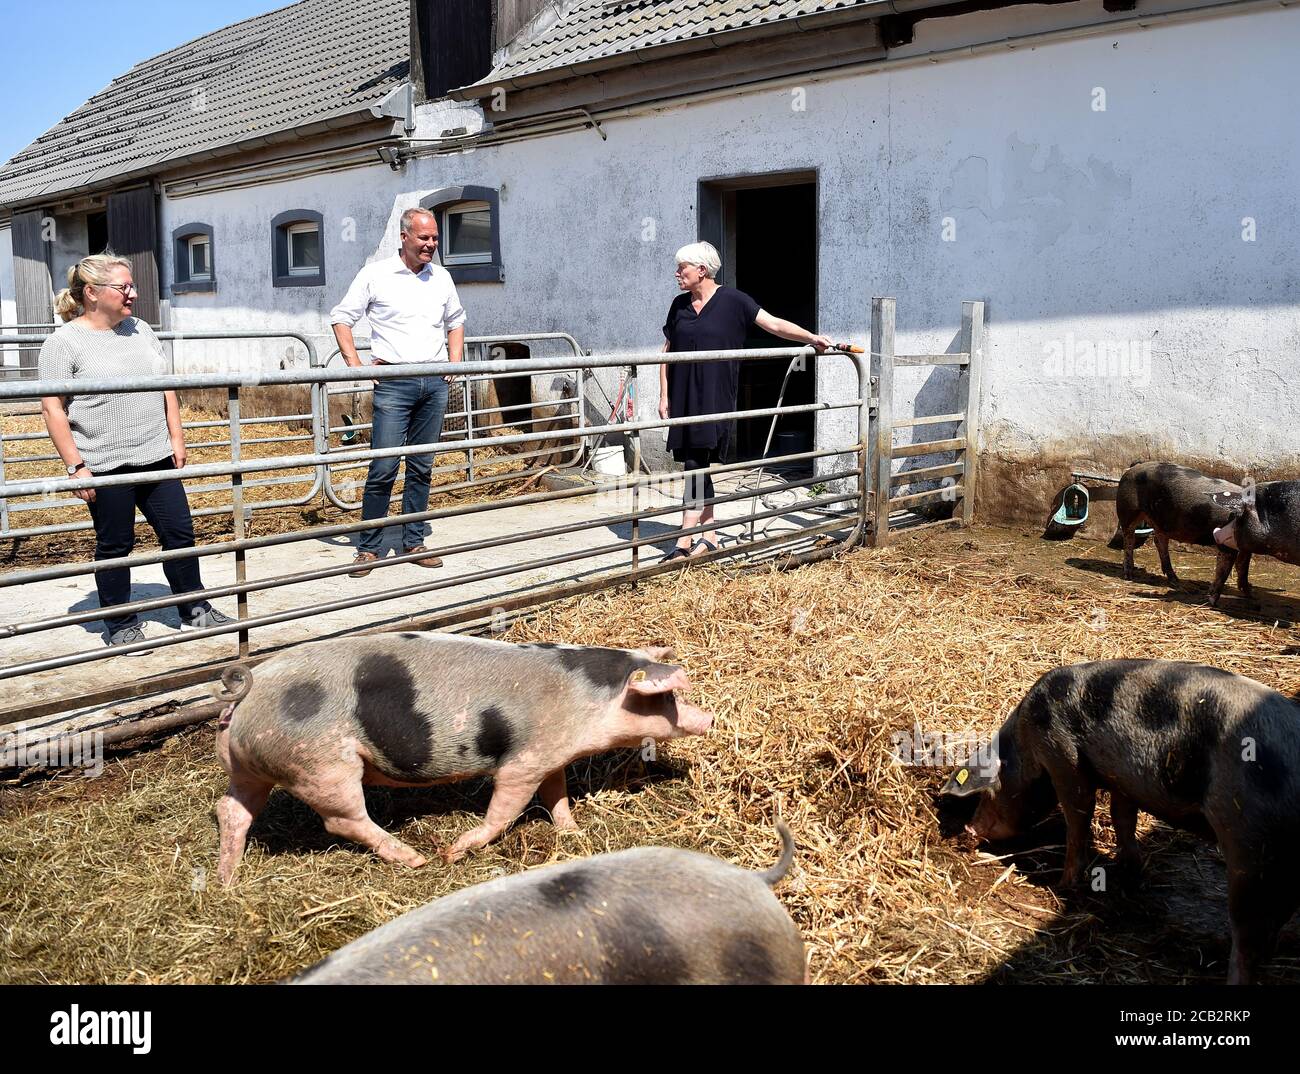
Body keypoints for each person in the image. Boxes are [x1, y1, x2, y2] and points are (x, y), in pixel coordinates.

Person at [38, 253, 233, 652]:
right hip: (105, 462)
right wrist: (75, 465)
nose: (133, 293)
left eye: (132, 285)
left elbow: (166, 385)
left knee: (179, 533)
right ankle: (121, 622)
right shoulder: (63, 343)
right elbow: (52, 407)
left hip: (155, 453)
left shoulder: (140, 329)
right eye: (123, 287)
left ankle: (192, 608)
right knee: (116, 544)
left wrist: (176, 438)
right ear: (92, 293)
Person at [658, 241, 831, 559]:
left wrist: (811, 337)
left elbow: (774, 324)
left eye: (681, 267)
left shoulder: (734, 301)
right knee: (696, 464)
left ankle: (684, 540)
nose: (676, 273)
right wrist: (663, 394)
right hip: (683, 395)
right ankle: (709, 537)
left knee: (696, 465)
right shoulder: (679, 306)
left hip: (714, 395)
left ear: (702, 270)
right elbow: (666, 352)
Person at [330, 207, 466, 577]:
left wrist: (453, 364)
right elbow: (342, 318)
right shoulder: (376, 275)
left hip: (434, 383)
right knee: (384, 465)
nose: (431, 245)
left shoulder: (441, 278)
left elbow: (456, 321)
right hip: (393, 382)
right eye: (424, 238)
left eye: (435, 238)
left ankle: (414, 541)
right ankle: (369, 548)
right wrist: (355, 364)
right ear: (404, 237)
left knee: (421, 465)